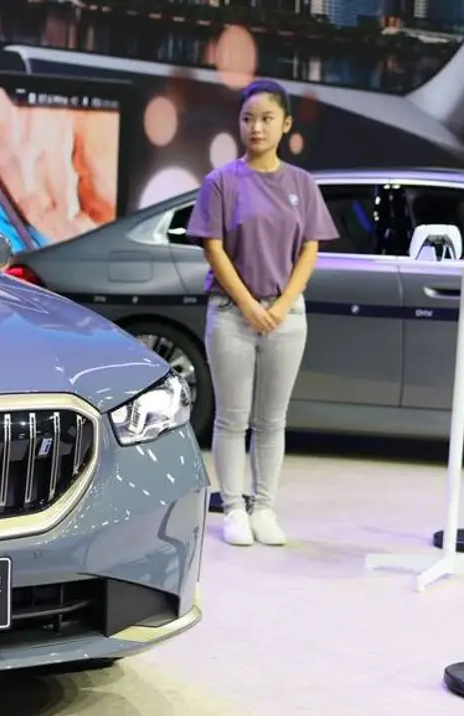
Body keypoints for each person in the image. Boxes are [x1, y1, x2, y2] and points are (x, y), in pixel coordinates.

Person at [186, 79, 338, 548]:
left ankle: (264, 507)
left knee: (272, 420)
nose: (256, 127)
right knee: (232, 418)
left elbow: (310, 249)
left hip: (287, 316)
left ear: (285, 124)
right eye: (248, 118)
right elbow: (213, 248)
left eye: (267, 119)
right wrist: (251, 306)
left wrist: (283, 304)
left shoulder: (302, 184)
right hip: (232, 313)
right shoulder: (221, 182)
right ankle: (234, 508)